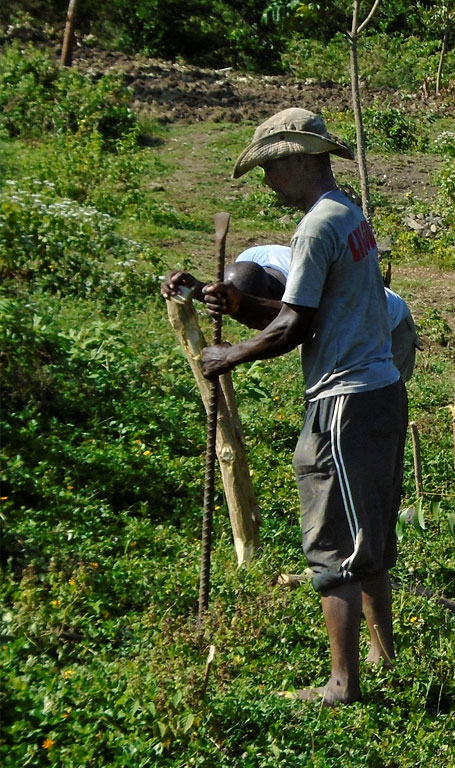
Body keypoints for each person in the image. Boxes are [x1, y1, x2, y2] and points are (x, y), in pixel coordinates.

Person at [163, 107, 406, 705]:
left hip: (343, 402)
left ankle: (342, 684)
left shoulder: (315, 228)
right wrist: (235, 303)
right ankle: (384, 657)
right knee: (369, 534)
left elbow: (294, 327)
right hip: (380, 391)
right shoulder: (348, 214)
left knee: (333, 543)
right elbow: (307, 314)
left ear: (298, 159)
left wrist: (229, 355)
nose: (269, 182)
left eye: (271, 169)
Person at [165, 244, 419, 382]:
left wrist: (230, 356)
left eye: (255, 317)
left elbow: (292, 328)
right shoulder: (251, 262)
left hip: (388, 325)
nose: (251, 325)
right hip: (341, 324)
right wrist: (197, 289)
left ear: (274, 291)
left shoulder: (313, 284)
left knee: (378, 396)